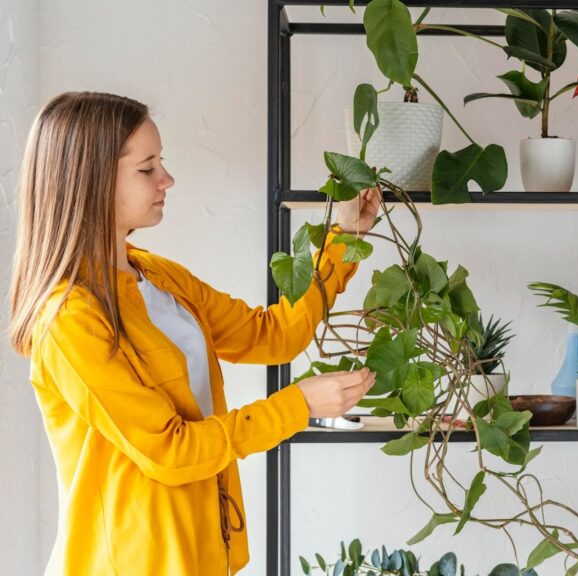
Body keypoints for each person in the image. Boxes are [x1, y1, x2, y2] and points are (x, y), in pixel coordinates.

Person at [6, 91, 380, 575]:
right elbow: (170, 449)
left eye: (161, 163)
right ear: (90, 181)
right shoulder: (68, 318)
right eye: (147, 169)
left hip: (202, 553)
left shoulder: (159, 276)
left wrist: (344, 240)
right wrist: (298, 406)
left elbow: (272, 335)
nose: (167, 179)